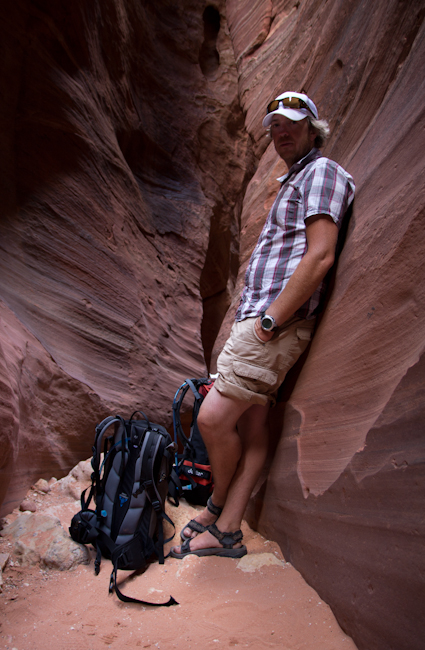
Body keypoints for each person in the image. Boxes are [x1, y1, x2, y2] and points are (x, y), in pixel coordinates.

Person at [170, 91, 355, 559]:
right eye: (274, 126)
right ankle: (229, 529)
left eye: (292, 123)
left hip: (272, 323)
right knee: (253, 430)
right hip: (259, 320)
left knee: (212, 419)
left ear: (315, 128)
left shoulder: (321, 172)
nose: (281, 132)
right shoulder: (295, 179)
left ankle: (215, 505)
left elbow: (320, 255)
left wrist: (269, 323)